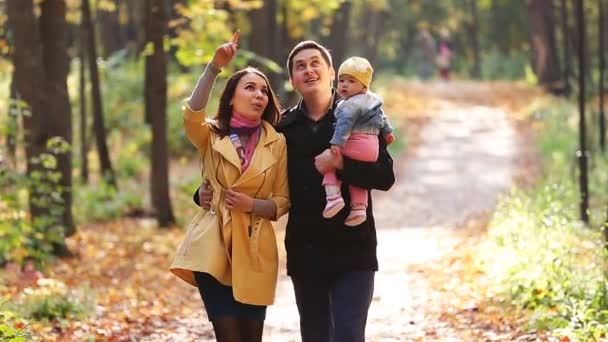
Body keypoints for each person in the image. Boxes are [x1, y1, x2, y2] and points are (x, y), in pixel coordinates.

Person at [196, 40, 395, 342]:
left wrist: (340, 165)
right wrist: (203, 193)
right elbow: (240, 164)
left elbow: (385, 175)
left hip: (354, 250)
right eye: (300, 66)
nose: (309, 70)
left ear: (331, 73)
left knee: (349, 336)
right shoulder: (280, 129)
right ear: (293, 80)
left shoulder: (360, 114)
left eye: (316, 63)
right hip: (306, 253)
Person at [170, 31, 290, 342]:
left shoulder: (276, 143)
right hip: (214, 247)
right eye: (250, 87)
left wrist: (252, 206)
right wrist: (213, 67)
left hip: (254, 250)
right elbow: (191, 114)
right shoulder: (211, 134)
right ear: (232, 96)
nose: (259, 94)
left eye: (264, 90)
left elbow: (282, 200)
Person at [322, 56, 395, 227]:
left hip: (356, 143)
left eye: (351, 81)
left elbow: (344, 124)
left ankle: (333, 195)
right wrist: (388, 133)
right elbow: (383, 118)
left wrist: (337, 143)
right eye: (341, 81)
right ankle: (359, 208)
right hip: (372, 149)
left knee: (329, 162)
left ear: (364, 85)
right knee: (358, 178)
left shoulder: (348, 105)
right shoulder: (373, 100)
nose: (344, 85)